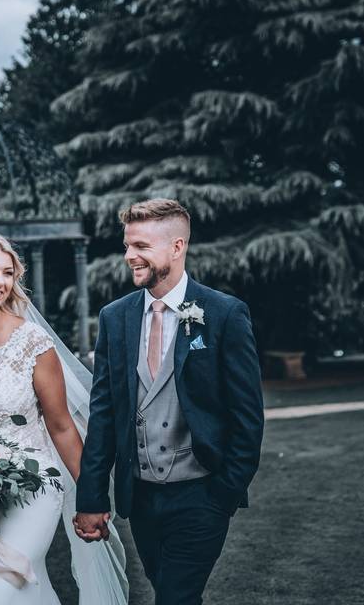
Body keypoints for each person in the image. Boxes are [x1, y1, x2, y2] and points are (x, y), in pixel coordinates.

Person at [0, 230, 128, 605]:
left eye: (8, 273)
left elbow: (61, 426)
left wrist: (92, 497)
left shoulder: (32, 343)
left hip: (35, 488)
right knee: (28, 589)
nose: (0, 281)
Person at [74, 198, 265, 605]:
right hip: (140, 498)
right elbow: (104, 412)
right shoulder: (115, 316)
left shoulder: (224, 313)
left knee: (174, 598)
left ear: (177, 248)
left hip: (202, 495)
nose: (129, 256)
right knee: (172, 593)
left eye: (141, 246)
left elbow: (248, 417)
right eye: (128, 245)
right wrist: (91, 498)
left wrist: (225, 494)